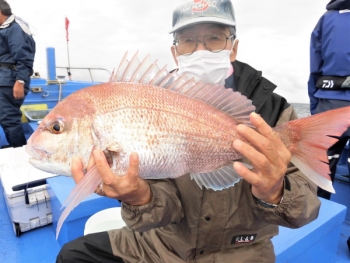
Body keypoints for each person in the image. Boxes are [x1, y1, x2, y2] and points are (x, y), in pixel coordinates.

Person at [57, 1, 320, 262]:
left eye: (214, 38)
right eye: (188, 41)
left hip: (241, 252)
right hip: (161, 245)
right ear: (175, 53)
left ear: (233, 47)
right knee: (73, 256)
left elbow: (304, 210)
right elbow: (165, 210)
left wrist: (274, 191)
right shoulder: (156, 99)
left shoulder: (272, 111)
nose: (200, 50)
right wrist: (139, 197)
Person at [308, 0, 350, 252]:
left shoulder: (328, 18)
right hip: (330, 102)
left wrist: (316, 109)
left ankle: (313, 230)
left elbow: (315, 63)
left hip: (329, 103)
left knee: (319, 172)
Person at [0, 0, 35, 148]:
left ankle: (19, 151)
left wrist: (20, 81)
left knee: (9, 118)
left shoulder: (15, 28)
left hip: (9, 81)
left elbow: (24, 58)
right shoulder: (5, 28)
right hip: (4, 79)